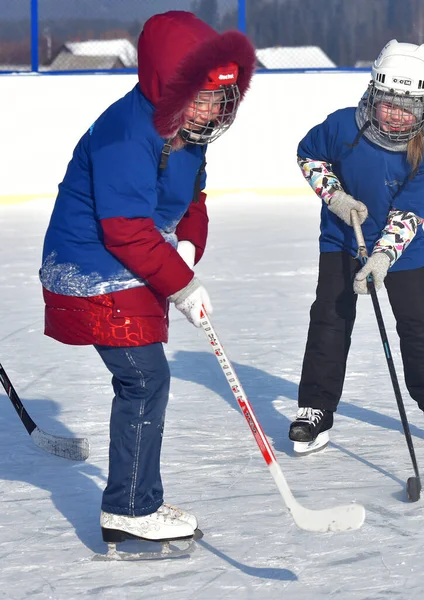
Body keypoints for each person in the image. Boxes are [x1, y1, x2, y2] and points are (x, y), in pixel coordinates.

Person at [39, 11, 255, 544]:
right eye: (204, 97)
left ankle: (134, 501)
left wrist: (185, 246)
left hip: (133, 261)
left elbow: (193, 199)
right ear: (172, 86)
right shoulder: (126, 133)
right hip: (92, 268)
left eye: (221, 99)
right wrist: (180, 283)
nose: (214, 111)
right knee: (143, 378)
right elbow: (123, 230)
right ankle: (132, 509)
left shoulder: (188, 131)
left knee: (144, 378)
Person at [289, 39, 424, 456]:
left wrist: (383, 256)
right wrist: (336, 198)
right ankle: (314, 409)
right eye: (388, 103)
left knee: (420, 323)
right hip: (341, 240)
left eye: (408, 107)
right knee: (330, 320)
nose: (396, 114)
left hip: (402, 252)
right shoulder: (343, 126)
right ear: (373, 93)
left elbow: (410, 212)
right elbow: (309, 156)